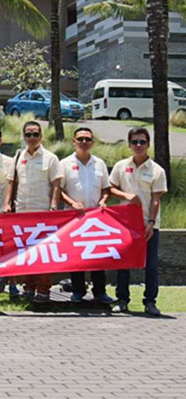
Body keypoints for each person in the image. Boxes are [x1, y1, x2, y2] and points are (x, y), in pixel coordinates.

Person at [109, 127, 166, 317]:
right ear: (129, 144)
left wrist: (151, 222)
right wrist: (126, 195)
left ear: (148, 144)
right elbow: (111, 188)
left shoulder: (157, 170)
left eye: (142, 142)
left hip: (148, 225)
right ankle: (122, 300)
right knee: (123, 264)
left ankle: (150, 302)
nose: (138, 145)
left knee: (151, 266)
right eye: (134, 142)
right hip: (125, 224)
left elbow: (156, 199)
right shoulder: (121, 166)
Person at [6, 121, 61, 302]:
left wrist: (54, 206)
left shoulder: (50, 158)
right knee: (26, 252)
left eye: (35, 134)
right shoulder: (18, 157)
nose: (32, 138)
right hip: (22, 211)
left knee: (43, 252)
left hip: (42, 211)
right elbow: (12, 182)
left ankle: (43, 288)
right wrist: (8, 203)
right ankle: (28, 286)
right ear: (23, 137)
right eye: (28, 135)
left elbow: (56, 184)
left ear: (41, 136)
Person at [58, 126, 114, 305]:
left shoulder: (100, 164)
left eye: (87, 139)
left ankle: (100, 292)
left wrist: (103, 200)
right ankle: (78, 291)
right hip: (74, 218)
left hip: (95, 218)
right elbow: (58, 190)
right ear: (73, 142)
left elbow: (106, 188)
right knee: (76, 256)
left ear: (92, 143)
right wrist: (73, 203)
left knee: (98, 256)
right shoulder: (64, 164)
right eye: (80, 139)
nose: (84, 142)